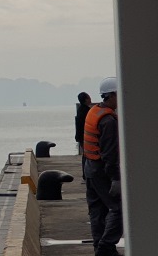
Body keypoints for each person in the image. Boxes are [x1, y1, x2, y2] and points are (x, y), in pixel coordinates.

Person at [83, 76, 122, 256]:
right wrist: (115, 178)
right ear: (112, 96)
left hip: (90, 167)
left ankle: (99, 246)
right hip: (101, 171)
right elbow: (110, 154)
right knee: (118, 209)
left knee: (97, 210)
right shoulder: (109, 121)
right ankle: (106, 247)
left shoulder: (94, 111)